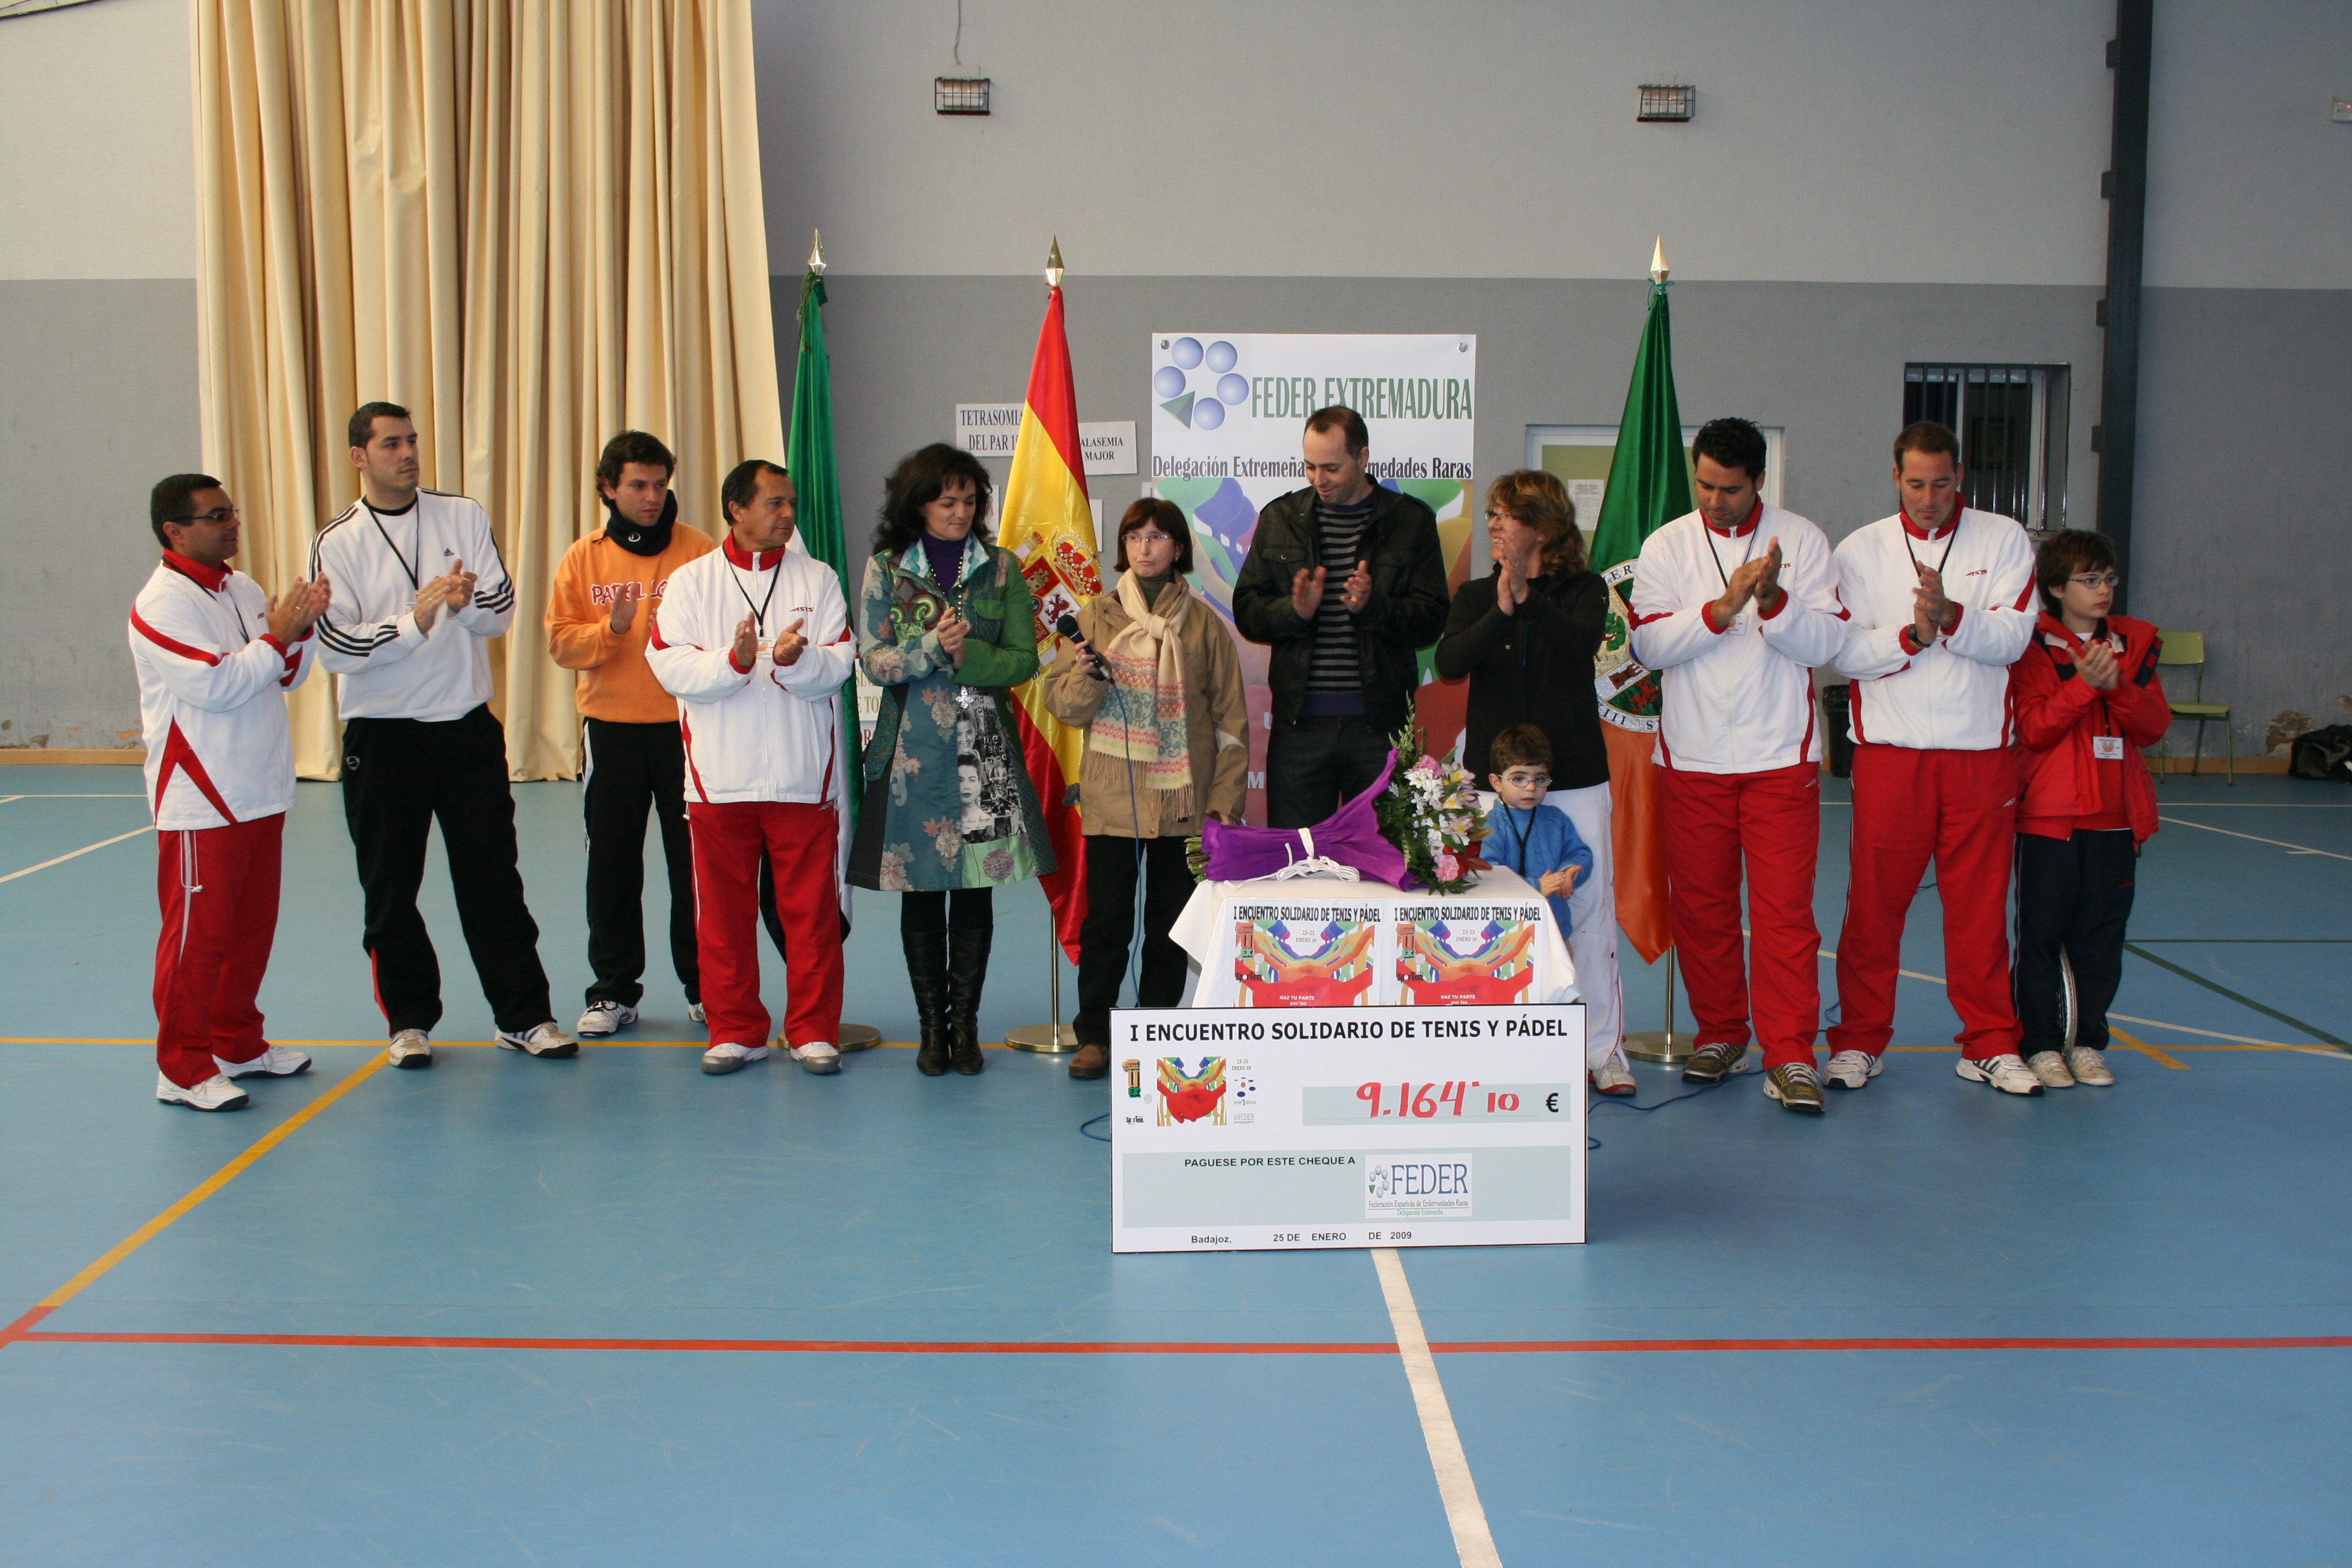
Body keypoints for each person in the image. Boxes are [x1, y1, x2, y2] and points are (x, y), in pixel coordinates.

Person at [310, 401, 576, 1069]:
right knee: (390, 888)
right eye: (391, 444)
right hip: (383, 738)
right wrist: (416, 619)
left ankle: (525, 1016)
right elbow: (338, 647)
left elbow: (501, 611)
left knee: (494, 880)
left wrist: (463, 604)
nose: (408, 454)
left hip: (464, 730)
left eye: (412, 441)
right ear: (359, 457)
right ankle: (408, 1022)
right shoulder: (338, 541)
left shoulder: (462, 515)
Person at [1629, 418, 1848, 1115]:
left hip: (1779, 758)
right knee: (1703, 911)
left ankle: (1790, 1054)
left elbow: (1828, 643)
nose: (1714, 500)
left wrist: (1775, 603)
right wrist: (1721, 609)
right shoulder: (1667, 544)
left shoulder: (1803, 540)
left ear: (1759, 481)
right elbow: (1648, 646)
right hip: (1691, 760)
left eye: (1729, 489)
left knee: (1784, 915)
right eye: (1704, 485)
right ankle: (1722, 1034)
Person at [1830, 421, 2039, 1094]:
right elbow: (1844, 653)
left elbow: (2013, 638)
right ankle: (1859, 1040)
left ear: (1961, 478)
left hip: (1980, 757)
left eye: (1942, 484)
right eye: (1916, 484)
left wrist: (1953, 618)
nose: (1929, 498)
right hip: (1891, 759)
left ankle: (1990, 1043)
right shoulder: (1860, 551)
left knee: (1980, 911)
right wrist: (1913, 636)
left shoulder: (2004, 538)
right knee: (1874, 910)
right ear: (1896, 477)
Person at [848, 444, 1055, 1076]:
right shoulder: (887, 568)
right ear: (919, 506)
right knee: (918, 891)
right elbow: (874, 659)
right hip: (911, 749)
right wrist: (931, 650)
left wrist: (969, 658)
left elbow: (1023, 660)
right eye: (947, 502)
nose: (961, 512)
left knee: (974, 890)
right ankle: (930, 1032)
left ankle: (965, 1029)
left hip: (984, 744)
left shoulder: (1001, 568)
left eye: (969, 501)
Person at [646, 460, 855, 1076]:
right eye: (774, 504)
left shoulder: (818, 579)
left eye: (791, 503)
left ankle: (813, 1030)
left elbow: (839, 663)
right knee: (722, 918)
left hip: (802, 781)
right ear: (736, 509)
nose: (788, 514)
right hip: (719, 782)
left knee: (811, 918)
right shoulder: (691, 582)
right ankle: (736, 1030)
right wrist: (736, 661)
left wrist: (793, 660)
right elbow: (670, 665)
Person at [132, 474, 328, 1109]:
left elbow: (281, 675)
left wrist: (301, 630)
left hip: (259, 789)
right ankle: (182, 1067)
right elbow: (215, 685)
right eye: (217, 516)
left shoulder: (240, 588)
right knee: (197, 941)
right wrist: (277, 637)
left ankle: (237, 1043)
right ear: (175, 531)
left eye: (233, 512)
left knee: (249, 932)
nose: (232, 524)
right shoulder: (161, 604)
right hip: (202, 798)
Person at [1433, 471, 1627, 1088]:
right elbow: (1450, 662)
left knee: (1586, 909)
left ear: (1542, 527)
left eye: (1505, 515)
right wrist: (1502, 605)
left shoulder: (1584, 589)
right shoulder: (1475, 595)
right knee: (1486, 912)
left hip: (1572, 779)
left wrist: (1529, 597)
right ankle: (1496, 1050)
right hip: (1490, 785)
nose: (1493, 524)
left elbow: (1580, 644)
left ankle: (1601, 1051)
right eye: (1491, 514)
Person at [1046, 498, 1248, 1081]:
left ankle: (1156, 1030)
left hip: (1185, 802)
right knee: (1106, 925)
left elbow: (1232, 722)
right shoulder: (1094, 618)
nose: (1145, 547)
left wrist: (1223, 804)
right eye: (1135, 537)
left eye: (1158, 537)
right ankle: (1095, 1035)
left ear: (1178, 547)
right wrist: (1086, 677)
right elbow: (1063, 705)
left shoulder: (1205, 626)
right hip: (1113, 799)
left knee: (1168, 927)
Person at [546, 430, 717, 1037]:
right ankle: (613, 993)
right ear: (608, 489)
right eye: (638, 486)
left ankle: (706, 987)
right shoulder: (583, 557)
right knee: (612, 867)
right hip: (612, 732)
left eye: (660, 485)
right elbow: (560, 644)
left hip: (687, 731)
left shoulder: (699, 550)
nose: (651, 497)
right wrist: (612, 631)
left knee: (694, 868)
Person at [1230, 406, 1451, 829]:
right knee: (1297, 855)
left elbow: (1431, 619)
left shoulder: (1410, 520)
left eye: (1332, 468)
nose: (1319, 479)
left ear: (1363, 457)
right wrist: (1295, 611)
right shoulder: (1280, 518)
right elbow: (1248, 612)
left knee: (1380, 854)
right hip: (1300, 728)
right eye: (1310, 466)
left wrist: (1374, 606)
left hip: (1380, 727)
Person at [2010, 529, 2169, 1089]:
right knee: (2042, 937)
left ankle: (2086, 1042)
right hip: (2051, 820)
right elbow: (2034, 729)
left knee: (2102, 938)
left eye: (2109, 579)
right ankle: (2039, 1044)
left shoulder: (2134, 645)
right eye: (2090, 579)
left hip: (2118, 821)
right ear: (2057, 587)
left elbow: (2153, 726)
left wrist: (2117, 687)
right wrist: (2083, 686)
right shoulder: (2030, 647)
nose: (2104, 590)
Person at [1482, 724, 1601, 1062]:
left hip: (1555, 934)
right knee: (1511, 1006)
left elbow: (1580, 853)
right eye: (1519, 778)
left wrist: (1570, 872)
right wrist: (1537, 887)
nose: (1531, 787)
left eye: (1540, 779)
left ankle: (1563, 1063)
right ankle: (1511, 1063)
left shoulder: (1556, 820)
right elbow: (1490, 875)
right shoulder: (1491, 826)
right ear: (1496, 782)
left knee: (1562, 1000)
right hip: (1507, 943)